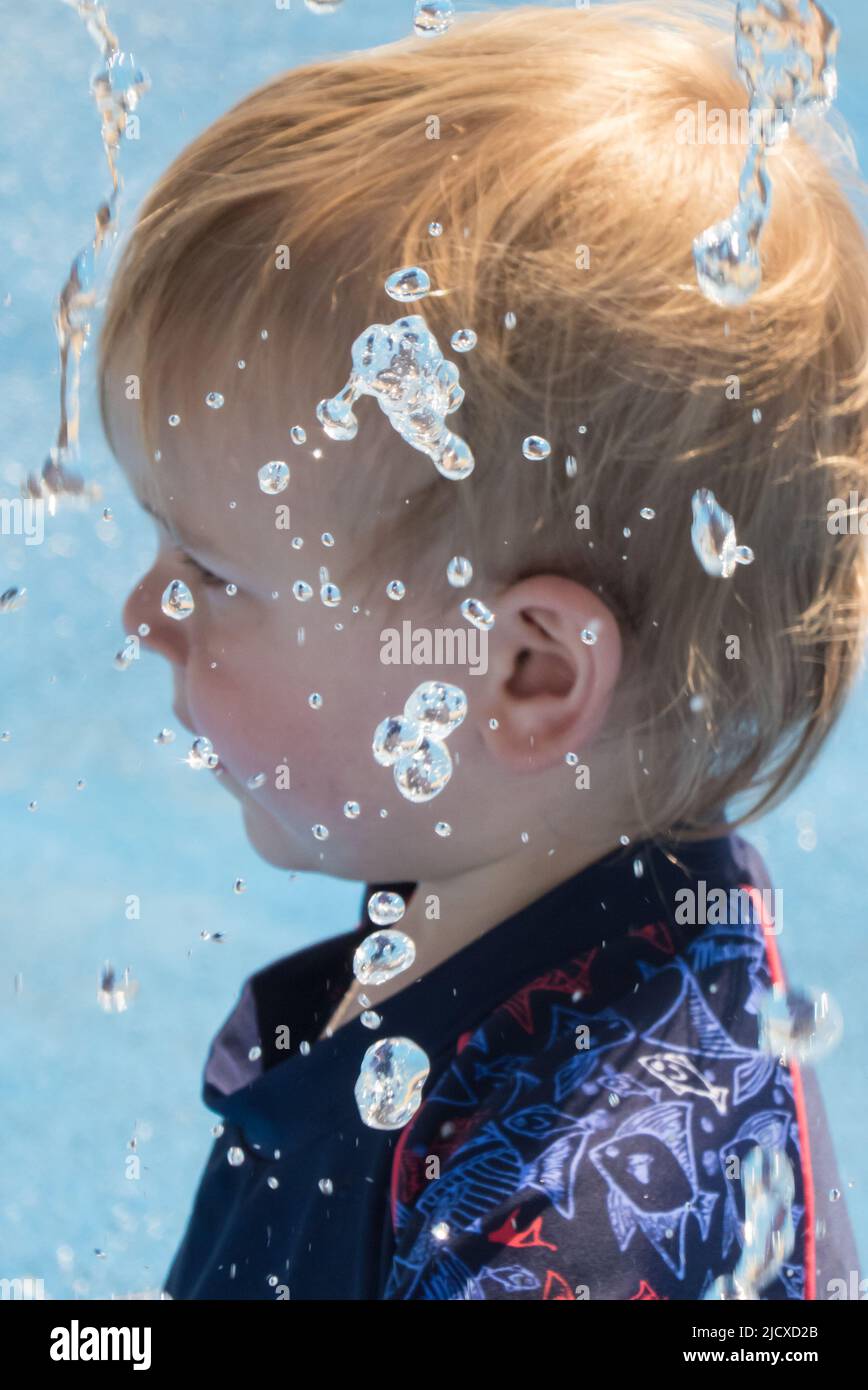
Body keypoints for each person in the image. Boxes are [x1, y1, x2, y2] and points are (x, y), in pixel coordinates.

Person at [98, 4, 866, 1299]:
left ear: (527, 675)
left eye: (214, 575)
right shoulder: (529, 888)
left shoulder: (570, 1226)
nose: (143, 613)